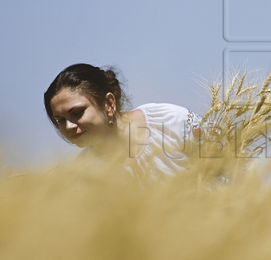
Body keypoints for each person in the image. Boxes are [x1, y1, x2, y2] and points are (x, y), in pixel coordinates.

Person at [44, 63, 202, 179]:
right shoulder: (82, 175)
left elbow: (225, 161)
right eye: (60, 120)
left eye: (77, 112)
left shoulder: (170, 120)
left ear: (108, 104)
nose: (69, 126)